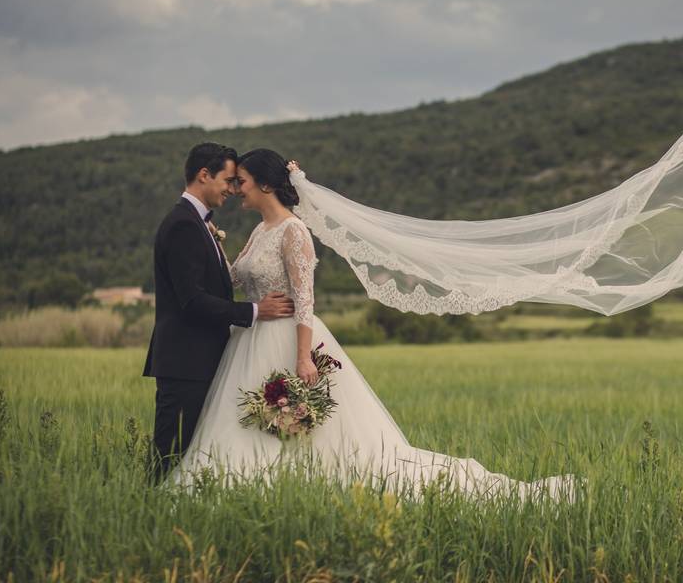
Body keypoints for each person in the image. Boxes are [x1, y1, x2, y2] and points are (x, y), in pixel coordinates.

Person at [168, 148, 578, 502]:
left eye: (242, 181)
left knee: (312, 435)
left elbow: (306, 298)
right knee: (251, 425)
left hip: (285, 338)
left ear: (266, 186)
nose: (236, 189)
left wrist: (303, 358)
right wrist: (210, 248)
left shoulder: (294, 231)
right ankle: (251, 485)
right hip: (251, 338)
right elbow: (237, 280)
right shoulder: (260, 230)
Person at [143, 142, 296, 483]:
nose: (232, 188)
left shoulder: (200, 224)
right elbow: (193, 301)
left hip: (200, 358)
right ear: (204, 175)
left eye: (238, 181)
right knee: (171, 453)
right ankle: (151, 506)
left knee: (190, 451)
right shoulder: (184, 224)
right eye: (228, 180)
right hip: (186, 360)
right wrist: (256, 310)